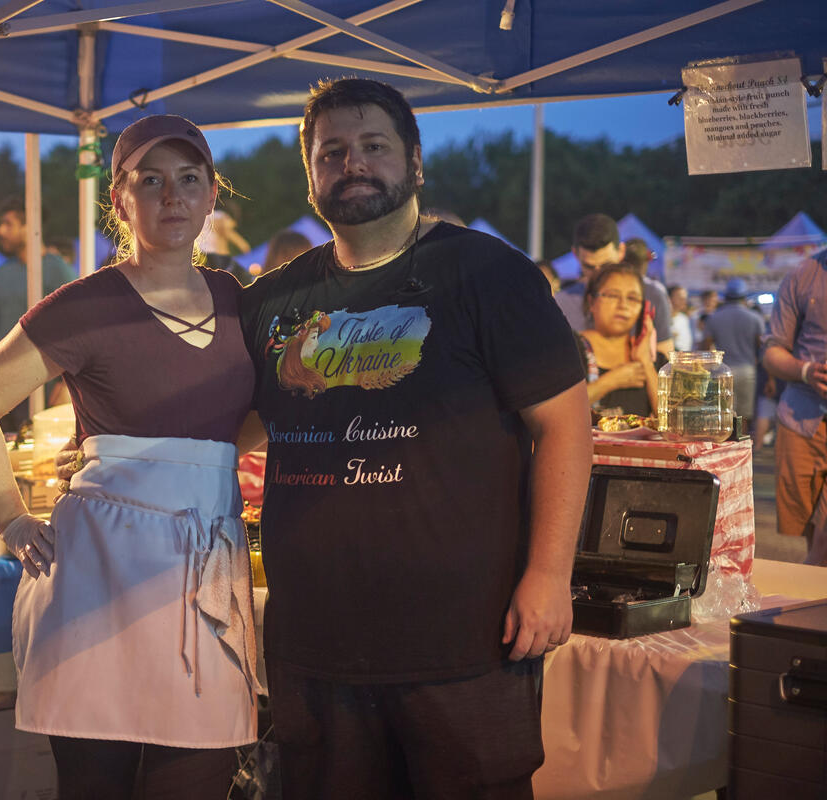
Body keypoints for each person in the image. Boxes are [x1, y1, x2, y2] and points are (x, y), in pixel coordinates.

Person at [237, 78, 591, 799]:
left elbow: (564, 427)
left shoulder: (488, 274)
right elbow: (229, 427)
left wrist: (549, 575)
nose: (353, 164)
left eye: (374, 146)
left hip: (463, 639)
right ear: (310, 176)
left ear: (416, 163)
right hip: (314, 641)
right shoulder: (273, 301)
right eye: (331, 152)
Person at [0, 115, 258, 799]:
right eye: (150, 181)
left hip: (204, 567)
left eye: (188, 179)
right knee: (97, 782)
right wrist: (10, 518)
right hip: (100, 577)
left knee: (197, 775)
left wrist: (183, 467)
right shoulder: (86, 305)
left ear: (212, 195)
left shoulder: (240, 303)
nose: (172, 196)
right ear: (120, 200)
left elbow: (249, 419)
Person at [761, 248, 827, 566]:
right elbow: (772, 351)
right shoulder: (803, 275)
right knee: (811, 534)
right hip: (802, 421)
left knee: (822, 546)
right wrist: (806, 371)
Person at [0, 196, 77, 351]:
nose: (0, 231)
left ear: (30, 226)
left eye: (8, 224)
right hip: (5, 362)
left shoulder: (58, 270)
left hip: (43, 364)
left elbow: (74, 326)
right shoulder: (2, 272)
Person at [575, 264, 661, 416]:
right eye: (613, 295)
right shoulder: (569, 349)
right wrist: (610, 381)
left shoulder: (656, 362)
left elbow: (671, 421)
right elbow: (557, 409)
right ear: (591, 302)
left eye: (632, 298)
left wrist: (646, 364)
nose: (623, 305)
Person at [703, 277, 764, 429]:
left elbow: (705, 347)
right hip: (747, 370)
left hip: (721, 372)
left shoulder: (714, 318)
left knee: (721, 415)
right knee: (743, 417)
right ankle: (742, 443)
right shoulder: (755, 318)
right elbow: (762, 347)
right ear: (744, 297)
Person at [554, 213, 624, 331]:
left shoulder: (649, 297)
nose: (598, 274)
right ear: (575, 254)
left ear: (621, 251)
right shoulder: (560, 305)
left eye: (606, 265)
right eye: (589, 267)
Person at [622, 237, 674, 355]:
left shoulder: (606, 285)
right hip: (644, 359)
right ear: (647, 261)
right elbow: (665, 344)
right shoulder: (656, 290)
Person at [669, 284, 694, 352]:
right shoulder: (662, 320)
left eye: (685, 298)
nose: (684, 301)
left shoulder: (684, 318)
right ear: (669, 299)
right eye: (680, 298)